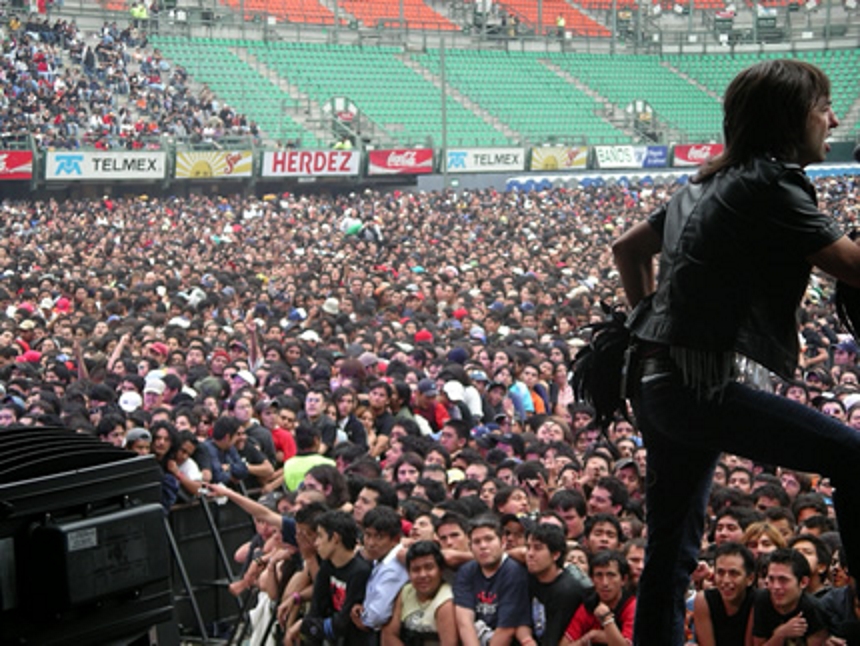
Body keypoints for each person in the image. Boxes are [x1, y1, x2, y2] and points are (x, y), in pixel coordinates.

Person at [612, 59, 860, 645]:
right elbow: (852, 268)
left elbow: (627, 250)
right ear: (790, 117)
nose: (830, 117)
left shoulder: (700, 183)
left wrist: (646, 319)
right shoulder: (771, 185)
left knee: (669, 550)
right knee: (851, 456)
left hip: (655, 381)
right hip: (697, 388)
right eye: (822, 106)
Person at [453, 515, 532, 646]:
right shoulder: (466, 571)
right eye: (476, 542)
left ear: (503, 541)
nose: (483, 546)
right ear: (470, 546)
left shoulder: (514, 572)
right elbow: (464, 622)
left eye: (489, 539)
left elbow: (506, 630)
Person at [382, 540, 457, 646]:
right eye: (416, 569)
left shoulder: (446, 600)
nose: (422, 575)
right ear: (408, 573)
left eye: (429, 567)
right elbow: (388, 635)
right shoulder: (406, 591)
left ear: (440, 570)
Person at [752, 548, 828, 645]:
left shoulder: (814, 609)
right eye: (771, 579)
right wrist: (781, 634)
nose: (775, 587)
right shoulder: (762, 600)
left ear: (803, 582)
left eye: (783, 580)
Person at [691, 542, 756, 646]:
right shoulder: (704, 600)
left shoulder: (758, 601)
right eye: (720, 573)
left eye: (733, 573)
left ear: (750, 579)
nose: (725, 580)